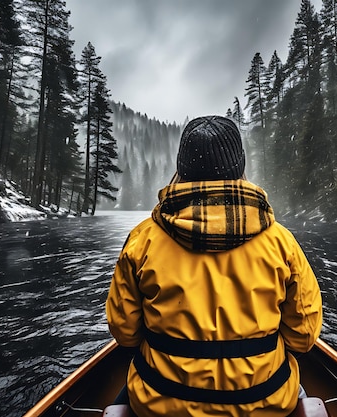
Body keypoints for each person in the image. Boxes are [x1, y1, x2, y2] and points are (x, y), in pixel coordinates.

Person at [106, 115, 323, 417]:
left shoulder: (143, 240)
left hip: (161, 404)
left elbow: (125, 332)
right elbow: (303, 337)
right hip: (265, 403)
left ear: (182, 168)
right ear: (240, 166)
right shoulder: (281, 243)